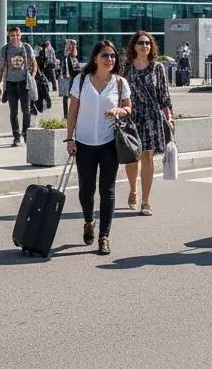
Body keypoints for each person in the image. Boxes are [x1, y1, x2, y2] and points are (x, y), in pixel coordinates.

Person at [65, 40, 132, 255]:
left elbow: (129, 107)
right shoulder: (81, 80)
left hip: (109, 143)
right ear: (95, 58)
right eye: (105, 55)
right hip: (84, 143)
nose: (109, 60)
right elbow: (73, 110)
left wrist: (119, 112)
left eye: (112, 56)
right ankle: (88, 220)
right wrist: (69, 138)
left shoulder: (120, 82)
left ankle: (104, 236)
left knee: (108, 190)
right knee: (86, 190)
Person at [122, 32, 173, 215]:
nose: (145, 46)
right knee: (131, 157)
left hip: (152, 117)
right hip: (131, 117)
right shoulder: (125, 67)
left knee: (147, 157)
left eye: (148, 43)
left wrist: (169, 117)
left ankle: (145, 201)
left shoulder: (157, 68)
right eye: (141, 43)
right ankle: (133, 189)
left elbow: (164, 96)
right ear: (133, 46)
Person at [0, 26, 38, 146]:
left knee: (26, 110)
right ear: (9, 36)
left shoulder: (27, 47)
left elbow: (34, 64)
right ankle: (16, 136)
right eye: (13, 35)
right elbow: (1, 69)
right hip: (10, 84)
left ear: (21, 35)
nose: (15, 37)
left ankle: (25, 133)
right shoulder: (5, 49)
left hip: (24, 83)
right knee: (13, 112)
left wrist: (32, 77)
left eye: (17, 35)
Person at [58, 40, 81, 118]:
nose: (71, 46)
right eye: (69, 45)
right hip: (66, 77)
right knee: (66, 96)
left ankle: (72, 113)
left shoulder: (73, 57)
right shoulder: (65, 55)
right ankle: (66, 114)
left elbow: (76, 68)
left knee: (73, 96)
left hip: (72, 77)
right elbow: (62, 64)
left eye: (73, 45)